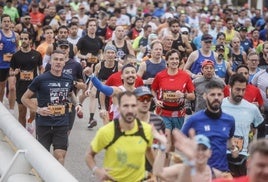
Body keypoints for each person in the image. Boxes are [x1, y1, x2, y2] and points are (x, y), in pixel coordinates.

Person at [21, 50, 83, 165]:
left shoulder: (68, 79)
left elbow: (70, 94)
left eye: (61, 59)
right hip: (44, 124)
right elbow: (24, 98)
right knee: (42, 158)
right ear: (50, 61)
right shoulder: (41, 79)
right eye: (55, 59)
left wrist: (78, 104)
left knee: (60, 156)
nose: (58, 62)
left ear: (65, 62)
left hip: (62, 123)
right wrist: (38, 110)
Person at [85, 91, 154, 182]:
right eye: (125, 106)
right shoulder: (106, 131)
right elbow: (89, 155)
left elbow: (149, 151)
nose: (130, 110)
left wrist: (155, 174)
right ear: (118, 108)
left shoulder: (147, 130)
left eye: (133, 106)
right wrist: (96, 170)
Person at [182, 80, 235, 175]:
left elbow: (230, 142)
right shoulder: (194, 120)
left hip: (222, 172)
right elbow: (181, 142)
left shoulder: (229, 120)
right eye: (212, 95)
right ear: (205, 96)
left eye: (219, 95)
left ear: (223, 96)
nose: (216, 98)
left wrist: (234, 150)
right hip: (199, 173)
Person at [151, 49, 195, 152]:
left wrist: (183, 95)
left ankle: (168, 161)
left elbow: (192, 96)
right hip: (163, 112)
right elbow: (153, 90)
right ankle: (164, 166)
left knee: (173, 144)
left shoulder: (185, 76)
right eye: (171, 59)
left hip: (178, 114)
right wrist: (156, 100)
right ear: (167, 61)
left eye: (176, 59)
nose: (174, 61)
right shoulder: (160, 75)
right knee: (167, 140)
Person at [221, 73, 264, 177]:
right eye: (237, 89)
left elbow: (261, 128)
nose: (240, 93)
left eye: (243, 90)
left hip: (242, 156)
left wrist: (256, 150)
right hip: (221, 154)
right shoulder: (220, 105)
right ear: (230, 87)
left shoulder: (251, 108)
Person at [153, 129, 223, 181]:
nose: (200, 152)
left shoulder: (216, 174)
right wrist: (162, 147)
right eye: (197, 149)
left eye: (204, 149)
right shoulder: (181, 169)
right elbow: (158, 172)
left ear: (210, 153)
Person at [9, 31, 43, 130]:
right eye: (21, 39)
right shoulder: (16, 56)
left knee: (33, 110)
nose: (23, 41)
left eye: (25, 39)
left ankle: (30, 121)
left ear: (30, 40)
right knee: (22, 112)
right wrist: (14, 72)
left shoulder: (36, 54)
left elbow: (41, 68)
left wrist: (42, 77)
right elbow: (11, 71)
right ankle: (22, 132)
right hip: (21, 86)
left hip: (34, 86)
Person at [0, 14, 19, 115]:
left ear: (11, 23)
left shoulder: (15, 35)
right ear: (1, 23)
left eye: (8, 21)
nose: (7, 23)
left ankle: (11, 110)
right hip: (1, 65)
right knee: (1, 87)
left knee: (12, 87)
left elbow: (17, 49)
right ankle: (1, 107)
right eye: (4, 21)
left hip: (12, 65)